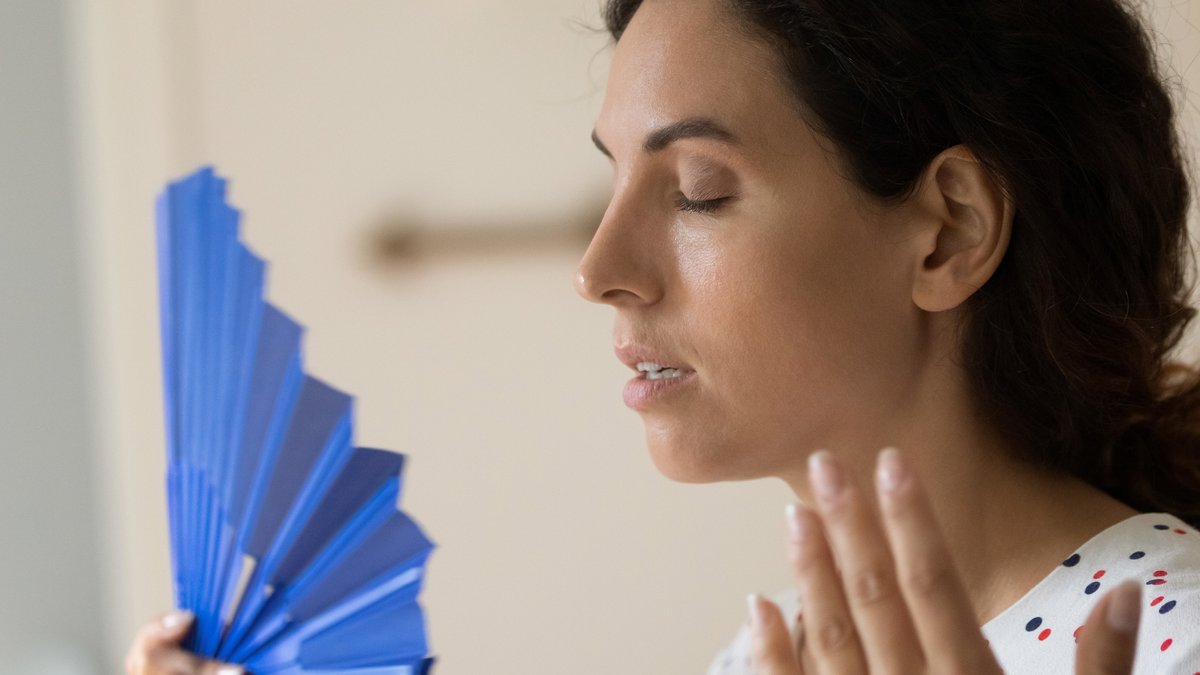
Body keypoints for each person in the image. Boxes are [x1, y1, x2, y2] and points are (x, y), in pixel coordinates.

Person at [127, 0, 1200, 673]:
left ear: (948, 231)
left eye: (696, 192)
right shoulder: (769, 658)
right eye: (613, 178)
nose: (598, 273)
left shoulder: (1175, 639)